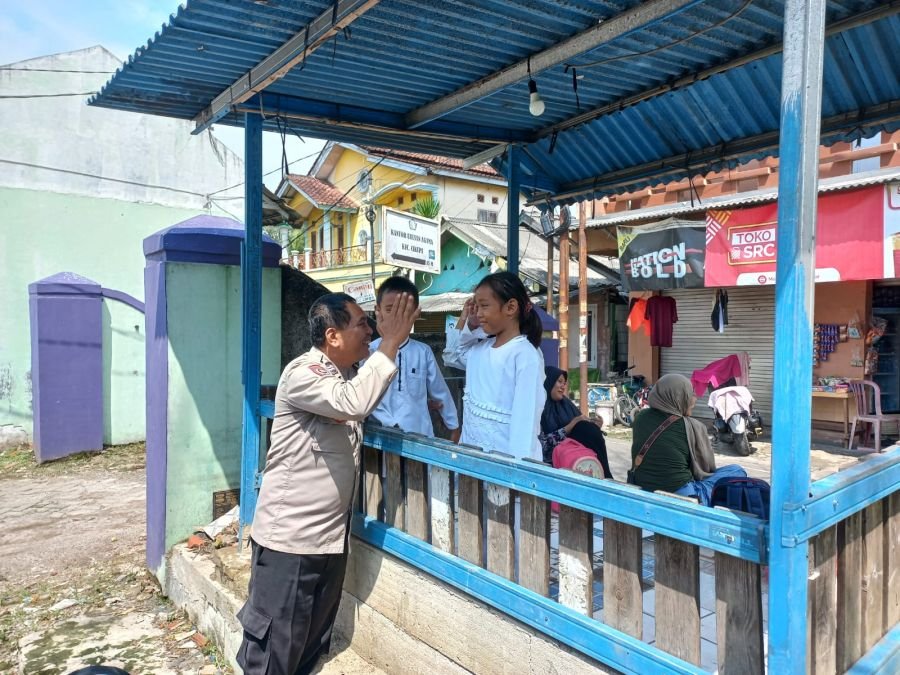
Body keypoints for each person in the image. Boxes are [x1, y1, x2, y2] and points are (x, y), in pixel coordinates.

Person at [237, 292, 418, 675]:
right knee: (272, 655)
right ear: (333, 335)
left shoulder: (347, 375)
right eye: (362, 324)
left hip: (328, 541)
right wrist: (389, 342)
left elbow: (364, 400)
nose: (369, 331)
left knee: (309, 649)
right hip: (290, 542)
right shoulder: (304, 373)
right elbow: (352, 403)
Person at [443, 271, 545, 461]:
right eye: (476, 307)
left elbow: (525, 423)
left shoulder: (524, 354)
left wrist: (516, 473)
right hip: (472, 462)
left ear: (511, 307)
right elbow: (452, 355)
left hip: (504, 468)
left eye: (484, 306)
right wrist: (466, 321)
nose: (479, 314)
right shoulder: (480, 350)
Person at [629, 373, 746, 505]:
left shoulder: (641, 417)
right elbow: (705, 470)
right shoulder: (693, 426)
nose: (693, 400)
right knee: (737, 470)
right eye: (689, 395)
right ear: (676, 397)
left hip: (642, 487)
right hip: (683, 497)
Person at [369, 276, 460, 442]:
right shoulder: (368, 352)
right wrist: (392, 424)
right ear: (378, 310)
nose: (397, 317)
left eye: (404, 311)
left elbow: (440, 391)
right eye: (390, 309)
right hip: (381, 437)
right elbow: (366, 397)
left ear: (416, 313)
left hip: (420, 436)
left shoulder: (423, 352)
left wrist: (453, 425)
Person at [540, 366, 613, 478]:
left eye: (564, 383)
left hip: (576, 462)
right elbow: (542, 445)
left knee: (588, 429)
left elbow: (580, 429)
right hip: (551, 465)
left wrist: (594, 426)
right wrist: (570, 426)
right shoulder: (539, 409)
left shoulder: (566, 404)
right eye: (559, 382)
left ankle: (605, 476)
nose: (563, 386)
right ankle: (607, 478)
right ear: (549, 381)